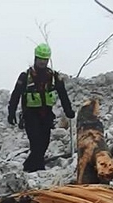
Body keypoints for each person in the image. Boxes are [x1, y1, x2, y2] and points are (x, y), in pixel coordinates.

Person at [7, 43, 77, 172]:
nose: (42, 63)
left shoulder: (54, 77)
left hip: (46, 116)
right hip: (30, 115)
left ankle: (28, 167)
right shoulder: (25, 77)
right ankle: (38, 170)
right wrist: (11, 112)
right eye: (40, 59)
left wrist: (68, 110)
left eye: (45, 60)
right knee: (36, 143)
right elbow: (16, 94)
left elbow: (63, 94)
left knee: (44, 143)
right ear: (35, 58)